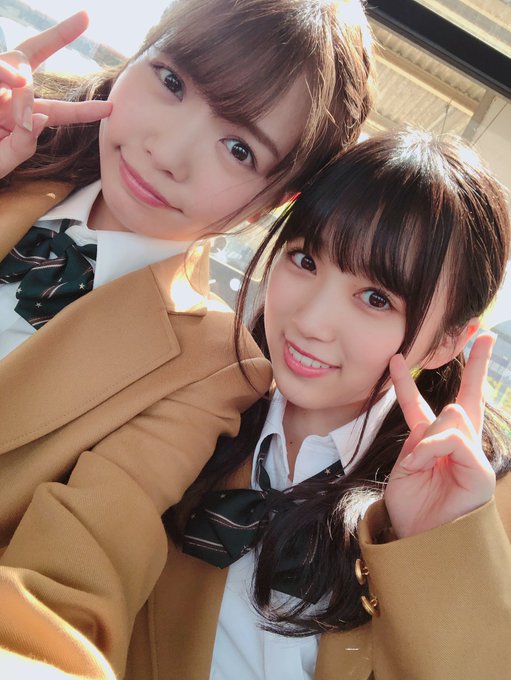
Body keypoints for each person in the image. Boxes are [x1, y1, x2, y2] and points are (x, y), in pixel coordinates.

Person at [1, 129, 510, 679]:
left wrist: (434, 551)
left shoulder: (482, 504)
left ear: (446, 342)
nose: (311, 321)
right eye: (305, 261)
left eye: (375, 298)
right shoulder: (197, 397)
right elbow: (77, 561)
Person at [0, 1, 373, 544]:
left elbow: (74, 563)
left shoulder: (210, 371)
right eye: (171, 81)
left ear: (273, 203)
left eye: (239, 149)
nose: (168, 154)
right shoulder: (15, 154)